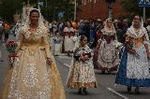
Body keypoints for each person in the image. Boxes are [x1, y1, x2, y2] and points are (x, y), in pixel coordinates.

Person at [1, 8, 66, 99]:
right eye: (33, 16)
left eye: (36, 16)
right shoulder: (23, 29)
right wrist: (13, 51)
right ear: (30, 17)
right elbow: (20, 42)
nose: (34, 18)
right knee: (22, 78)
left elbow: (46, 44)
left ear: (38, 17)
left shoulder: (43, 30)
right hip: (24, 54)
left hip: (40, 55)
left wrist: (48, 56)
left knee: (40, 78)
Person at [115, 15, 150, 94]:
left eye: (137, 19)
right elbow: (126, 41)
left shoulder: (144, 30)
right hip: (130, 51)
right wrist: (129, 49)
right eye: (134, 19)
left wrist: (148, 52)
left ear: (140, 21)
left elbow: (146, 42)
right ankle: (129, 84)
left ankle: (137, 86)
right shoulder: (129, 30)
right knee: (130, 67)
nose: (136, 20)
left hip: (141, 51)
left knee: (139, 68)